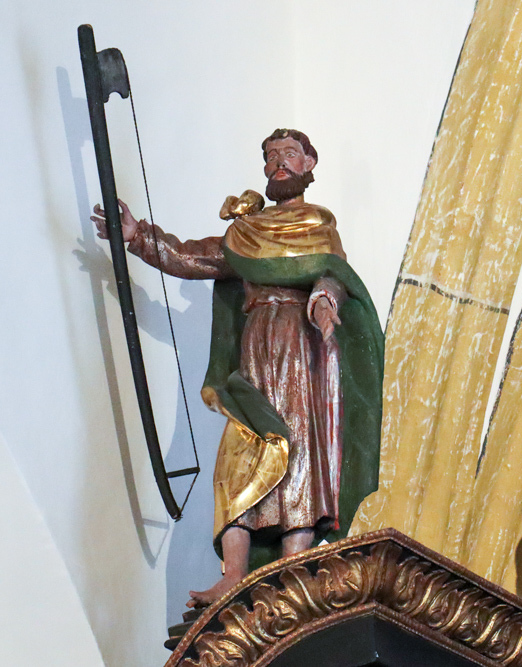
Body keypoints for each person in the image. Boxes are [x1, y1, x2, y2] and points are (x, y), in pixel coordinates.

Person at [92, 129, 382, 607]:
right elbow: (195, 257)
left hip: (301, 342)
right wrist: (138, 236)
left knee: (299, 450)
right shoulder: (247, 233)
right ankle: (234, 574)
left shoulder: (318, 224)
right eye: (272, 156)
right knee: (239, 451)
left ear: (309, 163)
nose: (279, 163)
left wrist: (324, 300)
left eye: (290, 154)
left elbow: (334, 274)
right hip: (256, 344)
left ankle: (293, 571)